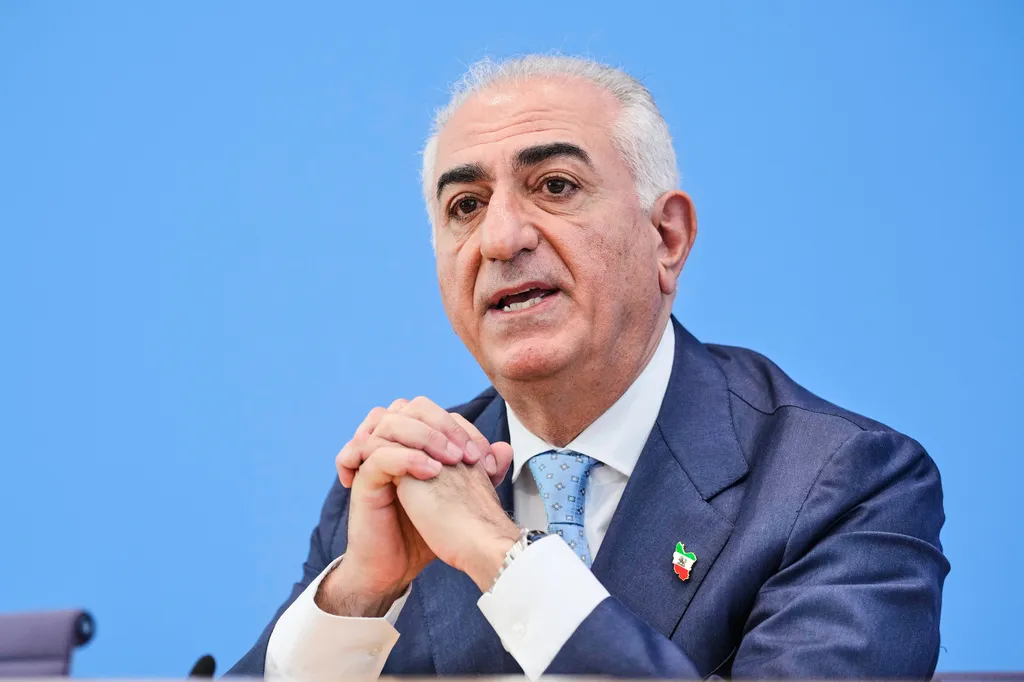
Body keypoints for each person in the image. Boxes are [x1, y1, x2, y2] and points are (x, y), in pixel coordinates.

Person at [227, 55, 948, 680]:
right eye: (466, 205)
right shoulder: (400, 487)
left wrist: (500, 555)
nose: (501, 238)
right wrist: (357, 599)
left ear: (667, 237)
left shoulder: (840, 484)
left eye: (555, 186)